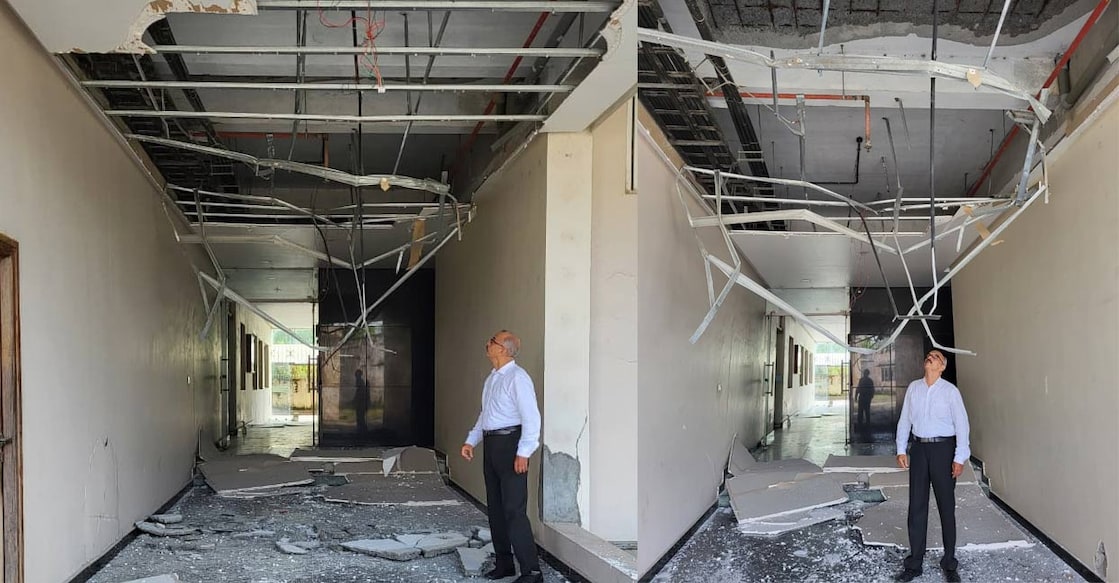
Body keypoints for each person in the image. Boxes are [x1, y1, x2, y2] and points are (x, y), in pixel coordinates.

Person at [461, 330, 543, 583]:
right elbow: (485, 415)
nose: (487, 343)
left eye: (492, 341)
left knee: (514, 510)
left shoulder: (518, 378)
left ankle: (531, 571)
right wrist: (471, 440)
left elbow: (532, 417)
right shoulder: (492, 378)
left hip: (511, 445)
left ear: (504, 349)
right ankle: (504, 563)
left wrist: (524, 452)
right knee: (495, 508)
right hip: (492, 445)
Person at [894, 349, 971, 583]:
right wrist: (901, 448)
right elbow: (905, 419)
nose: (930, 357)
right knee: (916, 506)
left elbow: (962, 425)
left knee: (946, 507)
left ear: (942, 366)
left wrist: (960, 457)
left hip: (943, 451)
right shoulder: (913, 388)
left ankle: (949, 563)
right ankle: (914, 563)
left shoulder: (950, 392)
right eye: (928, 355)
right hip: (918, 450)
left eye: (936, 357)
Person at [353, 368, 369, 434]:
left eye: (357, 375)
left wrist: (356, 399)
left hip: (361, 403)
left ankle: (363, 430)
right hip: (360, 403)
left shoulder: (360, 382)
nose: (356, 376)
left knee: (360, 417)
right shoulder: (360, 382)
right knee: (360, 417)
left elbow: (360, 393)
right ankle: (362, 430)